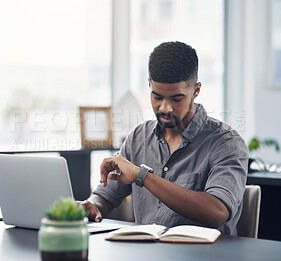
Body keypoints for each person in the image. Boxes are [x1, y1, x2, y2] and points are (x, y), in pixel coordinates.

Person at [80, 41, 248, 235]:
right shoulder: (138, 138)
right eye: (157, 97)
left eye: (176, 99)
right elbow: (106, 197)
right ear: (149, 84)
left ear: (196, 90)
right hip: (147, 252)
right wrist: (91, 206)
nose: (165, 108)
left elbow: (217, 212)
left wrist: (142, 176)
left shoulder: (226, 143)